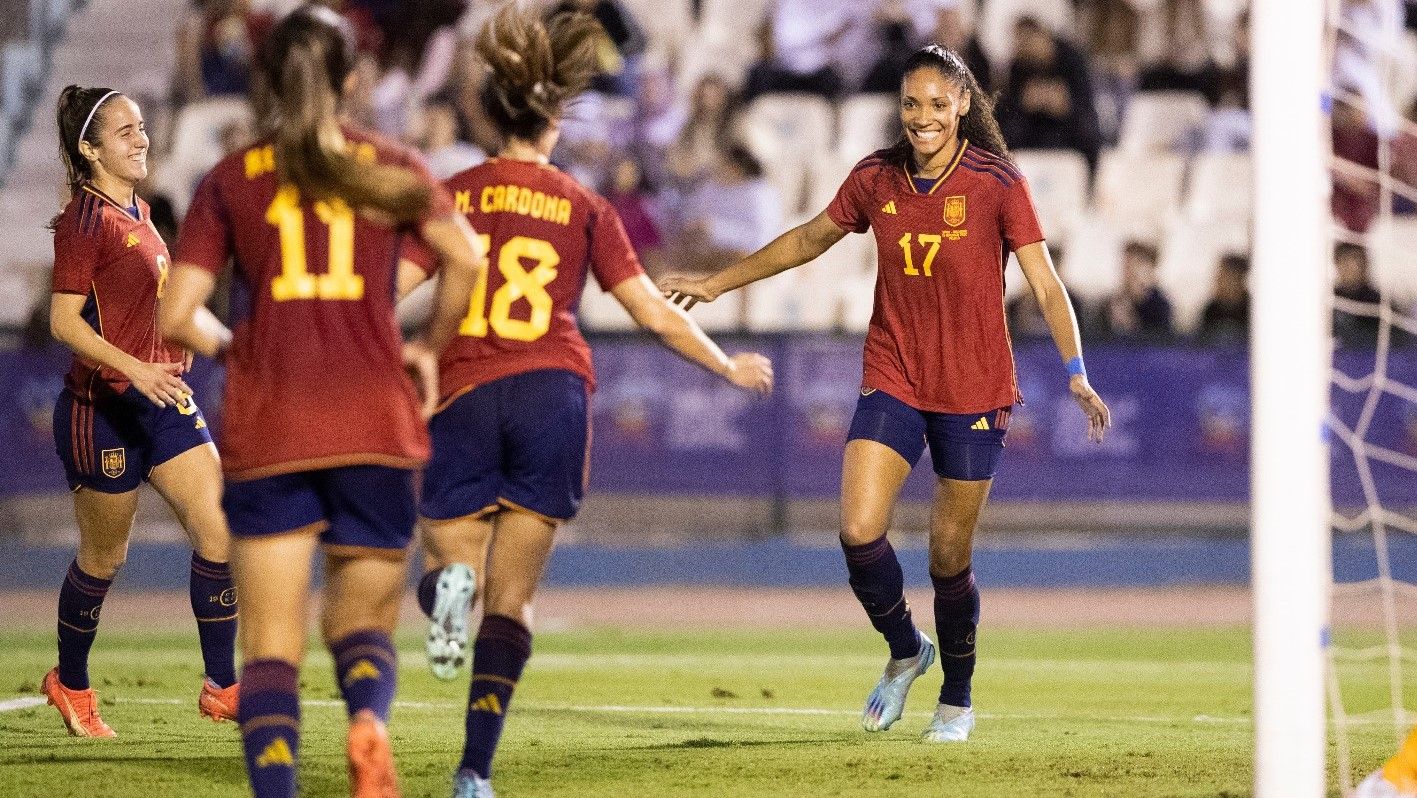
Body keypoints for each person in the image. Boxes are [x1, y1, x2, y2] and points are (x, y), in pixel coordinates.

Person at [661, 44, 1109, 744]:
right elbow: (810, 240)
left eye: (936, 104)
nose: (923, 118)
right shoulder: (876, 177)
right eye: (911, 105)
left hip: (974, 388)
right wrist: (719, 282)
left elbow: (1046, 285)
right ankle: (906, 649)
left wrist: (1075, 369)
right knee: (857, 530)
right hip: (894, 373)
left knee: (945, 559)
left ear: (961, 105)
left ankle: (956, 699)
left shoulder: (996, 181)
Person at [408, 6, 773, 797]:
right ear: (551, 123)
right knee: (515, 602)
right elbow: (648, 309)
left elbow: (389, 290)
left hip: (465, 386)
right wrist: (725, 364)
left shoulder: (451, 194)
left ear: (490, 112)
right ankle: (473, 771)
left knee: (446, 557)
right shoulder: (582, 203)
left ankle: (444, 593)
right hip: (552, 390)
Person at [158, 7, 481, 798]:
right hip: (375, 421)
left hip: (273, 426)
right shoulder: (393, 165)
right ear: (353, 81)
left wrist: (239, 345)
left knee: (272, 644)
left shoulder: (233, 177)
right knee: (360, 626)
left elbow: (175, 314)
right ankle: (367, 723)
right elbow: (465, 260)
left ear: (263, 80)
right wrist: (429, 348)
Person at [41, 85, 239, 738]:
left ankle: (222, 686)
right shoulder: (84, 221)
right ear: (89, 148)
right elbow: (63, 322)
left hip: (162, 399)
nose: (141, 139)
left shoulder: (142, 214)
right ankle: (70, 682)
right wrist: (134, 368)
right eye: (124, 131)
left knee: (219, 529)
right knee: (105, 558)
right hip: (102, 408)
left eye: (142, 127)